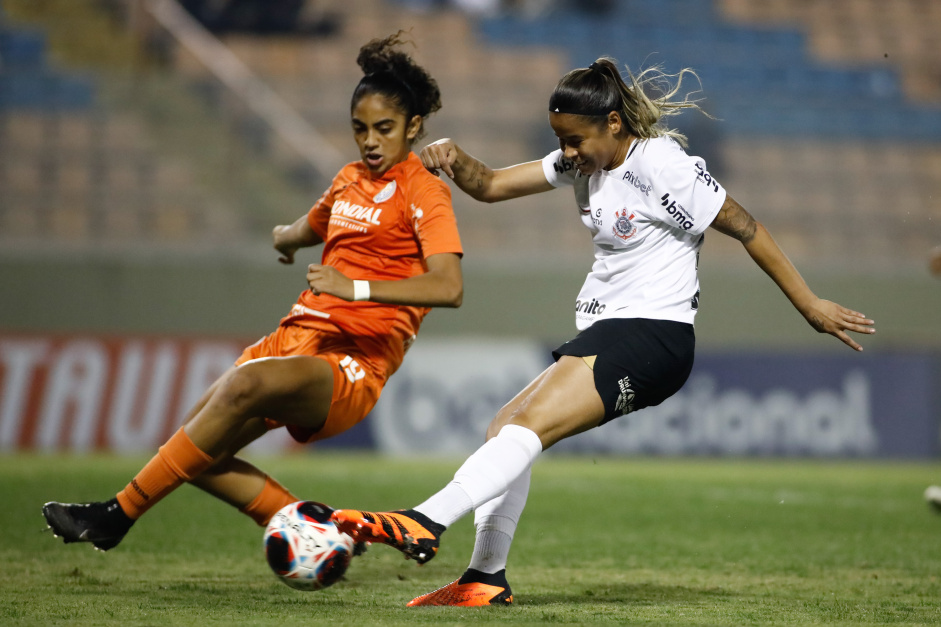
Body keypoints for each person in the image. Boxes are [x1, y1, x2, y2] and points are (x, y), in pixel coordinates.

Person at [329, 57, 877, 607]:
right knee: (505, 430)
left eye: (574, 140)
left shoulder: (662, 165)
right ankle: (484, 579)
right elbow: (492, 184)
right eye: (560, 141)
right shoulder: (584, 163)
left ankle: (426, 519)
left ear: (614, 123)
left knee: (528, 427)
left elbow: (748, 228)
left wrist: (808, 304)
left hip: (653, 334)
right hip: (613, 329)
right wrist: (455, 157)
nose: (567, 153)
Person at [41, 33, 463, 552]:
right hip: (295, 338)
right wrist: (286, 239)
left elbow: (449, 286)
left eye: (384, 129)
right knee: (196, 450)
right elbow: (315, 223)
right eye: (360, 130)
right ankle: (318, 533)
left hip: (354, 362)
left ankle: (115, 515)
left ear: (414, 126)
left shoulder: (425, 191)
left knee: (241, 389)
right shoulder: (349, 179)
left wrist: (353, 288)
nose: (371, 142)